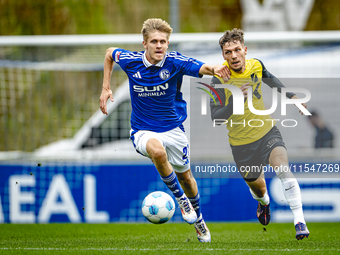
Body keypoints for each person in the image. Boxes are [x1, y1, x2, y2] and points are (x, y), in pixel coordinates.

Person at [99, 18, 230, 242]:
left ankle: (199, 220)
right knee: (157, 152)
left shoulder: (175, 62)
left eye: (163, 41)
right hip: (142, 130)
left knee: (187, 178)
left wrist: (215, 69)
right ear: (145, 44)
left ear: (168, 43)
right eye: (154, 41)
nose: (159, 46)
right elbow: (110, 53)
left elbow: (202, 67)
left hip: (173, 129)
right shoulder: (131, 61)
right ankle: (181, 200)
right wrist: (105, 87)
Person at [209, 28, 310, 240]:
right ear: (223, 56)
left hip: (267, 132)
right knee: (259, 187)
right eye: (228, 52)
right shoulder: (218, 80)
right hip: (241, 144)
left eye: (237, 50)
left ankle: (300, 222)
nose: (234, 55)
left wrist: (291, 96)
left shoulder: (256, 65)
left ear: (245, 50)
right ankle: (263, 203)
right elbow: (216, 117)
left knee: (283, 168)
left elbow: (271, 79)